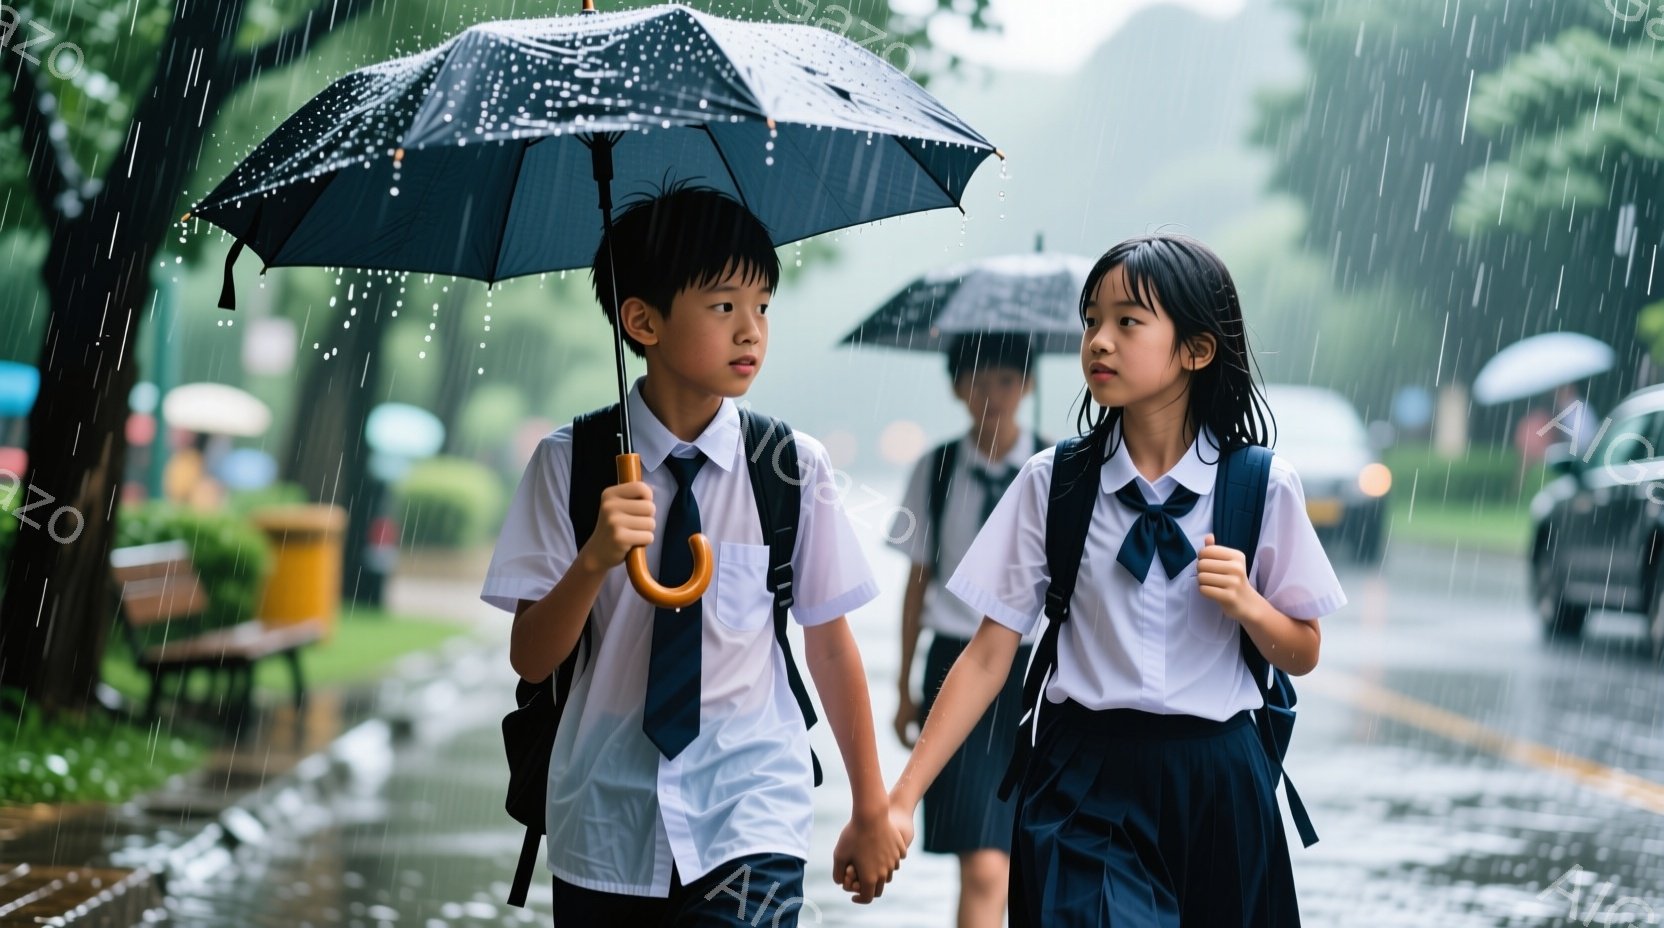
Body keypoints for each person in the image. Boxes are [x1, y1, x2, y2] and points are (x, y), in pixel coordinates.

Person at [882, 233, 1348, 926]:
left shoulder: (1260, 486)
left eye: (1127, 322)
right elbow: (988, 653)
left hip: (1220, 781)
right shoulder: (1054, 483)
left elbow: (1302, 651)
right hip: (1084, 780)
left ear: (1196, 350)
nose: (1099, 341)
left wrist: (1249, 605)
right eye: (1091, 321)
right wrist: (899, 797)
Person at [481, 186, 906, 926]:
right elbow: (532, 658)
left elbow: (830, 647)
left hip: (748, 815)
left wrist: (871, 809)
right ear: (641, 320)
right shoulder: (570, 465)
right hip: (606, 816)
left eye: (763, 306)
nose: (752, 331)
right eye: (722, 306)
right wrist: (594, 560)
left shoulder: (789, 466)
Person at [888, 331, 1041, 928]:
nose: (993, 395)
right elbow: (916, 582)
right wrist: (903, 687)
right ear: (956, 387)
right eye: (978, 380)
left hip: (1042, 673)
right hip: (960, 667)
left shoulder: (1059, 470)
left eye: (1006, 379)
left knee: (1038, 849)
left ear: (1027, 385)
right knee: (983, 859)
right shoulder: (937, 468)